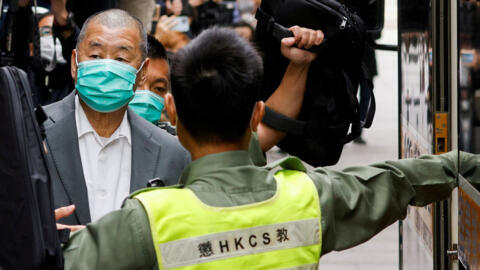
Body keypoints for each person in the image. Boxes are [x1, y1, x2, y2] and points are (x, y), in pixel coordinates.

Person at [61, 27, 467, 269]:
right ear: (257, 115)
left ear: (173, 113)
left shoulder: (143, 221)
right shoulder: (310, 196)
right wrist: (463, 165)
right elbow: (403, 179)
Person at [43, 9, 190, 227]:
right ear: (75, 63)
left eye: (121, 58)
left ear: (142, 72)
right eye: (95, 56)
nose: (106, 67)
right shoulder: (32, 134)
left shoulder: (173, 154)